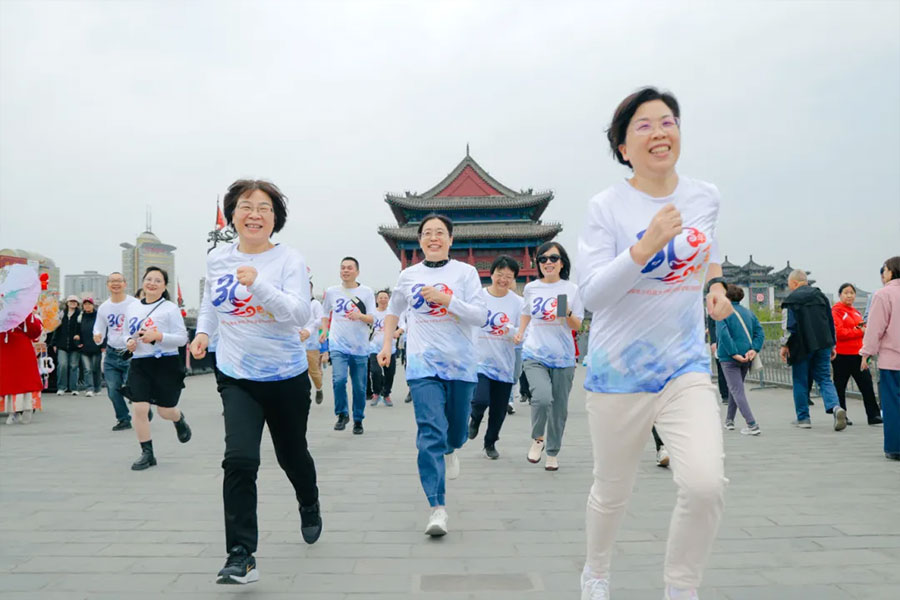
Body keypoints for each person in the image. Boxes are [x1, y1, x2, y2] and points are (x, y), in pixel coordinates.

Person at [576, 87, 732, 600]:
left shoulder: (704, 195)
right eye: (643, 126)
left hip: (684, 365)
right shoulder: (606, 207)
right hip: (618, 372)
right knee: (612, 491)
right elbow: (593, 294)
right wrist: (645, 246)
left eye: (668, 122)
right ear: (623, 148)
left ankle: (681, 587)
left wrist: (714, 285)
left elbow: (708, 245)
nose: (660, 132)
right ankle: (596, 571)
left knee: (705, 485)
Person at [192, 179, 321, 584]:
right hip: (237, 375)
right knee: (240, 459)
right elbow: (211, 302)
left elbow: (299, 315)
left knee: (291, 455)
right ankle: (241, 555)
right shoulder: (218, 258)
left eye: (264, 208)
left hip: (285, 376)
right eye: (246, 206)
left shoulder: (289, 260)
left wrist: (258, 283)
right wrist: (203, 332)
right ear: (232, 215)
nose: (254, 214)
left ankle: (309, 500)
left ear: (275, 218)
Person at [377, 213, 487, 536]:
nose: (433, 238)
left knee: (456, 433)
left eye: (440, 232)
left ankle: (452, 448)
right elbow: (393, 311)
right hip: (422, 365)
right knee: (430, 432)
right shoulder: (408, 275)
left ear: (451, 240)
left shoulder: (465, 273)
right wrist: (387, 344)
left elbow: (480, 316)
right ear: (420, 240)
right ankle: (437, 508)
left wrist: (446, 300)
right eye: (427, 233)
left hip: (461, 365)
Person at [514, 241, 584, 472]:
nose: (548, 263)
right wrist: (521, 332)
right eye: (543, 259)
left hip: (563, 356)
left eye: (553, 258)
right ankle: (538, 439)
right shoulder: (531, 288)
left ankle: (552, 452)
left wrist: (567, 312)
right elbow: (526, 313)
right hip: (535, 353)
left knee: (559, 409)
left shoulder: (571, 289)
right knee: (542, 398)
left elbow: (577, 325)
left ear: (562, 262)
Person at [121, 266, 191, 472]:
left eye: (158, 280)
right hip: (140, 363)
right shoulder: (132, 307)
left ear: (164, 286)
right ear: (143, 282)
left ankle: (178, 418)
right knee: (139, 408)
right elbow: (125, 333)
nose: (152, 283)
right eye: (149, 279)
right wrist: (129, 342)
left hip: (166, 363)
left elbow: (182, 338)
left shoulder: (170, 308)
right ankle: (147, 453)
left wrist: (158, 336)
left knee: (165, 411)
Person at [469, 255, 524, 459]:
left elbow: (524, 331)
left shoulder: (519, 303)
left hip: (504, 363)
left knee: (499, 410)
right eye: (500, 275)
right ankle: (475, 417)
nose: (503, 280)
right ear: (491, 274)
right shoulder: (478, 297)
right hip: (479, 360)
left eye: (508, 276)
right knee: (480, 399)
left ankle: (490, 442)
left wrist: (514, 333)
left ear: (514, 279)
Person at [779, 269, 847, 430]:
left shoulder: (791, 300)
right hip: (823, 343)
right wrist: (832, 344)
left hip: (801, 345)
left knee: (800, 380)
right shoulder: (821, 297)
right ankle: (836, 407)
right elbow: (830, 321)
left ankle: (803, 418)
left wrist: (784, 345)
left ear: (794, 283)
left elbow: (789, 326)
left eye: (789, 285)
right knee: (824, 378)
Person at [321, 257, 375, 434]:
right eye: (343, 267)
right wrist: (324, 331)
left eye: (349, 268)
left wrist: (360, 316)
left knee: (359, 387)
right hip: (338, 345)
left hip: (360, 347)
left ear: (357, 272)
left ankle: (358, 419)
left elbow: (372, 318)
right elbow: (324, 313)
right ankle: (342, 414)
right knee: (339, 380)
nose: (345, 270)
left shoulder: (366, 292)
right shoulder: (332, 291)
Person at [861, 256, 900, 460]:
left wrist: (866, 353)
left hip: (893, 360)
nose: (882, 274)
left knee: (892, 404)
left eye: (884, 270)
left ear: (891, 271)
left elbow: (875, 328)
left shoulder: (883, 294)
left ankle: (895, 446)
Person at [716, 284, 765, 435]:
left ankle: (752, 424)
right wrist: (754, 349)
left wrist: (733, 353)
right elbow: (760, 332)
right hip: (747, 355)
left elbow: (723, 335)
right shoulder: (749, 313)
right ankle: (729, 420)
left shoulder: (722, 313)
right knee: (735, 388)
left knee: (736, 390)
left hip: (729, 357)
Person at [93, 272, 140, 430]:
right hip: (112, 353)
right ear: (108, 285)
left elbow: (143, 323)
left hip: (131, 352)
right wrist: (97, 336)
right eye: (112, 281)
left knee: (133, 389)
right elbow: (99, 327)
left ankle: (143, 412)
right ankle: (123, 419)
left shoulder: (134, 304)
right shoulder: (104, 307)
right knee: (113, 390)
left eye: (119, 281)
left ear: (125, 284)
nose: (115, 284)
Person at [832, 283, 882, 425]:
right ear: (840, 295)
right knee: (840, 387)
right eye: (846, 293)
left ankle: (873, 416)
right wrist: (859, 331)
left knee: (866, 385)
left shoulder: (855, 312)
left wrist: (861, 330)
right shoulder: (836, 311)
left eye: (852, 293)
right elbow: (839, 332)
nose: (849, 295)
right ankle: (842, 416)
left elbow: (862, 327)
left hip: (858, 355)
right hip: (842, 355)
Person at [1, 311, 43, 424]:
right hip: (5, 348)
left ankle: (27, 407)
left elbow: (35, 332)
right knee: (8, 381)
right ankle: (12, 410)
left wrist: (27, 317)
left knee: (25, 380)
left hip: (21, 348)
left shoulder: (24, 311)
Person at [369, 290, 398, 407]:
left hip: (390, 348)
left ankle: (386, 394)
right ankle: (376, 393)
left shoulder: (393, 312)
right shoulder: (372, 313)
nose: (383, 300)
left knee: (390, 373)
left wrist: (398, 331)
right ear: (377, 300)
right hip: (374, 347)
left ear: (389, 299)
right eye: (380, 297)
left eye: (385, 297)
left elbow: (403, 325)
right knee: (375, 371)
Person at [300, 282, 326, 404]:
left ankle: (319, 388)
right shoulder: (296, 302)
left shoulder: (315, 304)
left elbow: (320, 320)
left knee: (313, 371)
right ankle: (303, 394)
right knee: (298, 371)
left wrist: (308, 328)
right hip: (296, 343)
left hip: (311, 343)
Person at [52, 295, 81, 395]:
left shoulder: (80, 315)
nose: (73, 303)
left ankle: (74, 388)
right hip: (62, 344)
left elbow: (82, 329)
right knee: (62, 365)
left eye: (75, 302)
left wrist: (80, 340)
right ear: (67, 303)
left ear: (77, 304)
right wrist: (54, 343)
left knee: (74, 366)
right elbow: (56, 329)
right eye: (70, 301)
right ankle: (61, 387)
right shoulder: (61, 314)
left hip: (75, 345)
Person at [77, 298, 102, 397]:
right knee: (87, 369)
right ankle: (89, 389)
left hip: (97, 346)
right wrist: (78, 342)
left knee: (96, 368)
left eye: (89, 304)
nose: (87, 306)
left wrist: (103, 345)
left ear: (93, 305)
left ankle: (97, 387)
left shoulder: (98, 316)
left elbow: (103, 330)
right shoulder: (80, 317)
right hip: (84, 347)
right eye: (85, 304)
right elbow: (77, 331)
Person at [707, 313, 730, 404]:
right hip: (718, 342)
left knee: (732, 368)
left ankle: (733, 393)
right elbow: (711, 327)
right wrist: (713, 341)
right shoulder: (713, 312)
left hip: (731, 340)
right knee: (721, 369)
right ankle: (725, 395)